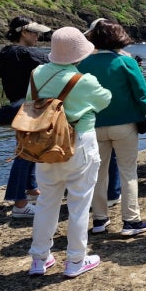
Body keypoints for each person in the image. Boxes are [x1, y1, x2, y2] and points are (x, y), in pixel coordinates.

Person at [27, 27, 112, 277]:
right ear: (80, 53)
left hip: (44, 142)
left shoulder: (37, 73)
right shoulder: (83, 80)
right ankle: (76, 260)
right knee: (79, 203)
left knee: (46, 201)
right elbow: (105, 99)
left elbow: (29, 101)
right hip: (79, 142)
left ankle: (39, 259)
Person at [78, 20, 146, 237]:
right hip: (124, 125)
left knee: (97, 174)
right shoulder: (126, 61)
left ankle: (99, 220)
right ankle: (131, 221)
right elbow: (142, 95)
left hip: (94, 125)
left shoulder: (82, 63)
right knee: (128, 172)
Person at [0, 16, 51, 219]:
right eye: (35, 32)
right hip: (28, 107)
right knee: (26, 153)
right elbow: (52, 63)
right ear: (24, 32)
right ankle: (20, 204)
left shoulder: (7, 53)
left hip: (17, 106)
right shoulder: (22, 53)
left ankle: (31, 189)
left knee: (27, 150)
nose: (38, 36)